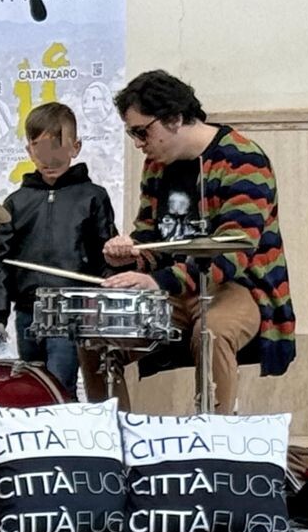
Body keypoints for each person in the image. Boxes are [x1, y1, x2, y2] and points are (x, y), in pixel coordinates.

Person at [99, 71, 294, 413]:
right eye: (132, 133)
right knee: (98, 331)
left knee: (212, 329)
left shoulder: (242, 159)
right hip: (176, 288)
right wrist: (132, 254)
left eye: (142, 131)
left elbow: (234, 252)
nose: (138, 143)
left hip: (239, 286)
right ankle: (112, 431)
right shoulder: (156, 165)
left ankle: (215, 431)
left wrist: (158, 280)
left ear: (174, 118)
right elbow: (151, 234)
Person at [0, 102, 116, 396]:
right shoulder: (16, 203)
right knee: (34, 383)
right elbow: (1, 263)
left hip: (72, 310)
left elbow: (105, 254)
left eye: (57, 148)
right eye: (40, 149)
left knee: (60, 383)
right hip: (27, 310)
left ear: (75, 147)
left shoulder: (93, 197)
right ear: (29, 151)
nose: (49, 159)